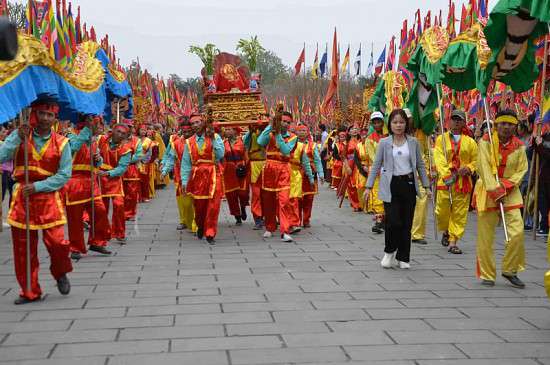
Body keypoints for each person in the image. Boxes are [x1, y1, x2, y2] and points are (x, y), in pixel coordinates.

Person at [0, 101, 73, 304]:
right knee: (23, 249)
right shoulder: (20, 137)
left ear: (55, 119)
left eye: (49, 115)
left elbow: (64, 174)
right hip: (23, 197)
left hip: (48, 197)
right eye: (41, 113)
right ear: (34, 114)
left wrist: (39, 187)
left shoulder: (62, 143)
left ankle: (60, 272)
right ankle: (30, 290)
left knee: (58, 243)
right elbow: (1, 156)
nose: (45, 118)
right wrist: (15, 137)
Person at [364, 109, 430, 269]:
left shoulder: (413, 142)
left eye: (401, 122)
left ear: (406, 123)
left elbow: (420, 165)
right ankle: (389, 251)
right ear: (390, 124)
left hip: (408, 184)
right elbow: (376, 165)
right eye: (395, 122)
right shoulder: (384, 142)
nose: (398, 125)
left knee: (406, 223)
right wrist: (368, 186)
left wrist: (426, 185)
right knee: (393, 221)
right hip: (390, 185)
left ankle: (404, 257)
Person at [474, 109, 528, 288]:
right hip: (488, 191)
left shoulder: (520, 146)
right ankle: (488, 274)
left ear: (515, 126)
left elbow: (522, 170)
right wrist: (494, 189)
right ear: (496, 125)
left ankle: (510, 269)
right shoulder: (486, 142)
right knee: (486, 236)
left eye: (510, 124)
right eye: (503, 123)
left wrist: (506, 186)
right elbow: (482, 166)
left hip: (510, 192)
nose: (506, 127)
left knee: (517, 231)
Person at [65, 115, 112, 260]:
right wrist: (87, 130)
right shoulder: (70, 135)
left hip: (91, 181)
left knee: (100, 211)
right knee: (75, 217)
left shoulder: (93, 140)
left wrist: (98, 160)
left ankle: (97, 241)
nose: (98, 126)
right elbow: (75, 147)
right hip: (74, 181)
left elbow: (97, 161)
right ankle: (75, 247)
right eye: (95, 123)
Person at [434, 109, 478, 254]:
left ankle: (453, 241)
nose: (456, 121)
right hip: (446, 181)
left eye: (459, 119)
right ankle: (446, 229)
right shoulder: (441, 139)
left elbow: (477, 160)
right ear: (449, 120)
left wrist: (469, 168)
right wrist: (447, 174)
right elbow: (439, 158)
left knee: (459, 213)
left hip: (463, 182)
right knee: (442, 211)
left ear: (464, 122)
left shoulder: (470, 142)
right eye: (454, 118)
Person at [180, 113, 225, 244]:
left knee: (213, 205)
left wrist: (213, 138)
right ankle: (200, 225)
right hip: (197, 177)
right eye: (193, 123)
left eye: (198, 122)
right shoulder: (189, 142)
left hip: (213, 174)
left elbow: (220, 154)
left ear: (203, 123)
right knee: (199, 207)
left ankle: (210, 232)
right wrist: (184, 181)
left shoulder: (215, 137)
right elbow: (186, 163)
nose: (195, 125)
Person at [257, 107, 298, 242]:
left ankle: (285, 230)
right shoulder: (270, 133)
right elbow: (260, 142)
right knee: (268, 200)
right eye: (283, 121)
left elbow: (286, 150)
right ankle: (269, 227)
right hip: (269, 168)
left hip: (284, 170)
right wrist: (270, 126)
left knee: (284, 200)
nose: (285, 124)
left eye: (288, 122)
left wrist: (278, 134)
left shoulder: (293, 137)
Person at [98, 123, 131, 243]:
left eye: (123, 133)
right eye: (118, 131)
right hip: (99, 178)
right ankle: (103, 232)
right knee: (101, 208)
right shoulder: (102, 140)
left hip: (114, 179)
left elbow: (122, 168)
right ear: (113, 131)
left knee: (119, 205)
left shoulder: (126, 150)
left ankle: (119, 232)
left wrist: (108, 173)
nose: (120, 135)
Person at [161, 120, 197, 232]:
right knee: (184, 202)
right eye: (184, 130)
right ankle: (186, 220)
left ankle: (197, 224)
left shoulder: (199, 140)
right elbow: (170, 157)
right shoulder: (175, 142)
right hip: (181, 174)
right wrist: (165, 171)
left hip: (198, 174)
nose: (186, 133)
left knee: (197, 200)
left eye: (188, 131)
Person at [287, 124, 314, 233]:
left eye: (304, 130)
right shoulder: (282, 145)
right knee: (285, 200)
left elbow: (306, 163)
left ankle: (295, 222)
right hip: (283, 174)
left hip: (296, 175)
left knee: (295, 199)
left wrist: (312, 178)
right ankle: (287, 222)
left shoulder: (302, 147)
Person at [297, 125, 324, 228]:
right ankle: (297, 220)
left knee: (309, 198)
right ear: (297, 132)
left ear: (308, 132)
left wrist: (321, 174)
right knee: (298, 198)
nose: (302, 133)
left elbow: (317, 160)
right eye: (300, 131)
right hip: (298, 173)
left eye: (304, 130)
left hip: (311, 174)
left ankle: (306, 219)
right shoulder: (293, 143)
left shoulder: (313, 145)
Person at [223, 127, 249, 226]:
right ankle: (237, 216)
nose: (227, 131)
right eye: (226, 130)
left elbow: (246, 155)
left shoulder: (242, 140)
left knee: (243, 193)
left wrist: (245, 165)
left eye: (230, 129)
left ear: (235, 131)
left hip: (240, 167)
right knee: (231, 195)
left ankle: (243, 207)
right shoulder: (223, 142)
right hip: (228, 170)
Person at [366, 112, 387, 233]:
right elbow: (373, 156)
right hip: (378, 171)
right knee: (378, 194)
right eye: (374, 122)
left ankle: (386, 218)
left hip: (390, 171)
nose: (377, 124)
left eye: (379, 122)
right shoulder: (369, 139)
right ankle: (379, 220)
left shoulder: (389, 136)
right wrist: (381, 165)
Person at [243, 121, 267, 230]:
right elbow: (245, 143)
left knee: (268, 194)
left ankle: (268, 217)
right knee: (256, 194)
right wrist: (250, 131)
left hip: (268, 165)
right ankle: (257, 218)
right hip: (254, 165)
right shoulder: (251, 134)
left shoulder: (270, 133)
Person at [123, 122, 143, 221]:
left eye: (129, 127)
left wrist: (124, 159)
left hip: (132, 170)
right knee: (121, 194)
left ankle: (130, 213)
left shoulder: (136, 141)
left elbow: (139, 155)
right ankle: (121, 212)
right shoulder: (117, 139)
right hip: (119, 170)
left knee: (132, 193)